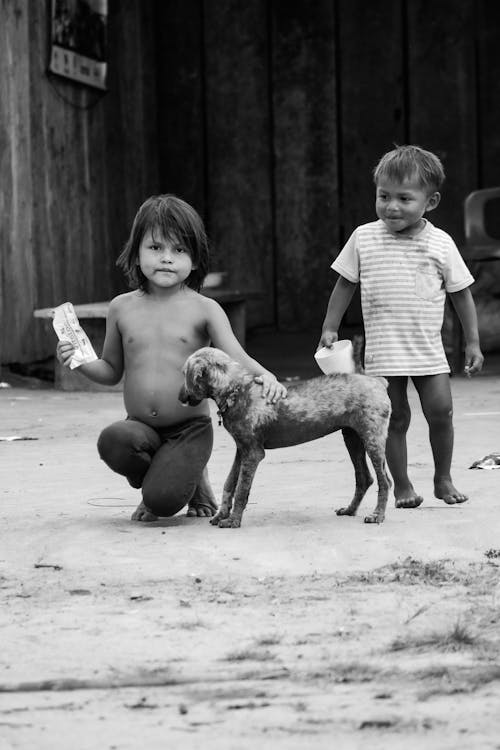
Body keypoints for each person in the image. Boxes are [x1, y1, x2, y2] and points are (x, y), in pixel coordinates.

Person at [56, 194, 286, 522]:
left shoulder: (204, 308)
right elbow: (110, 370)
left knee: (162, 503)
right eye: (156, 248)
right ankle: (165, 477)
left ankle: (188, 480)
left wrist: (268, 376)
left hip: (189, 428)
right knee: (113, 441)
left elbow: (235, 356)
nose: (167, 258)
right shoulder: (121, 307)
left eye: (179, 250)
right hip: (139, 428)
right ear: (136, 253)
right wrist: (78, 361)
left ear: (195, 260)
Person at [318, 145, 484, 508]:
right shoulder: (364, 237)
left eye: (404, 198)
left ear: (431, 201)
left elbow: (462, 295)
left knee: (441, 412)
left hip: (428, 350)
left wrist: (473, 343)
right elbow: (345, 283)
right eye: (383, 196)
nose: (391, 206)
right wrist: (330, 327)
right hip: (385, 351)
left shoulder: (440, 244)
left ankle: (443, 478)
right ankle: (403, 485)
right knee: (394, 419)